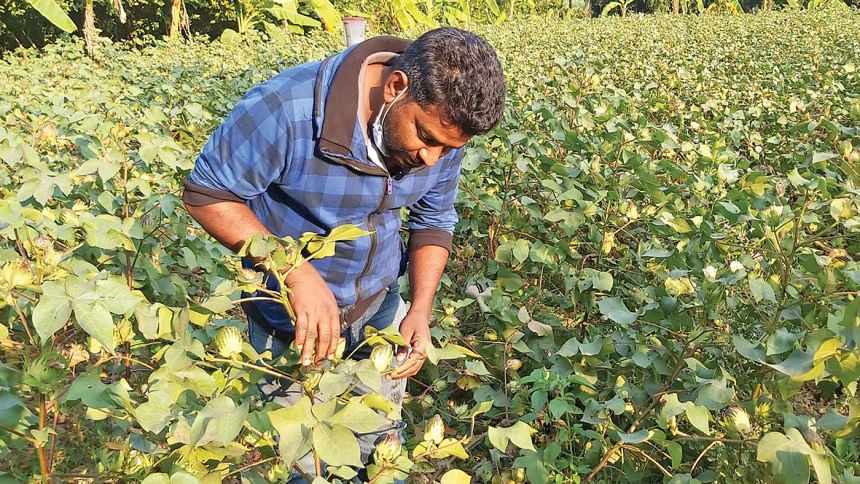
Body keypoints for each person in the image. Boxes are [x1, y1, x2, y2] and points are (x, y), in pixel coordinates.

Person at [182, 26, 505, 478]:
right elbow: (207, 194)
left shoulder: (441, 127)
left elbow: (434, 218)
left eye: (448, 149)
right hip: (289, 323)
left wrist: (420, 309)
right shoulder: (286, 109)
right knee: (303, 460)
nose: (433, 158)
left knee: (377, 444)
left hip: (378, 309)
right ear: (395, 87)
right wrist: (295, 271)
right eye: (426, 138)